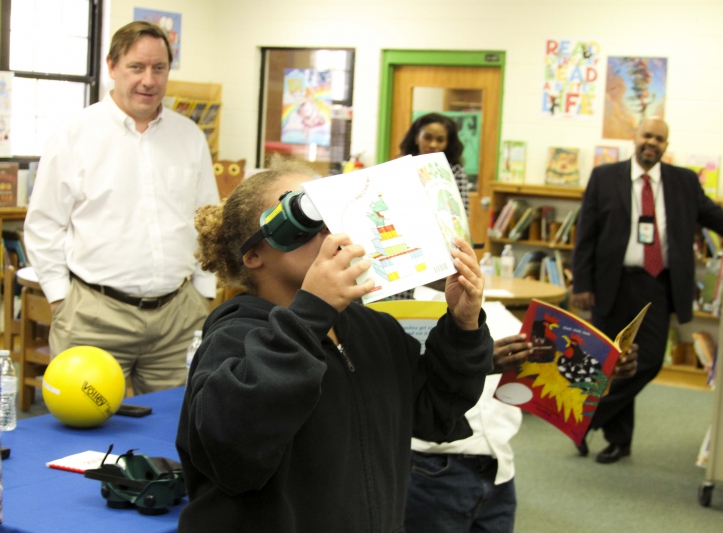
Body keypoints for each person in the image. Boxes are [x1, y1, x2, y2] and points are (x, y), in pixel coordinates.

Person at [175, 158, 494, 532]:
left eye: (332, 210)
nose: (327, 230)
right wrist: (310, 315)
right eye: (305, 215)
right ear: (254, 254)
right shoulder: (233, 338)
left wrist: (462, 325)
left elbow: (437, 412)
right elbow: (231, 451)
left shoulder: (375, 330)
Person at [24, 21, 219, 395]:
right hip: (93, 315)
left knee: (175, 430)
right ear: (112, 67)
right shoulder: (73, 135)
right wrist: (61, 300)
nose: (149, 80)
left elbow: (206, 221)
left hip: (178, 318)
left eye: (159, 68)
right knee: (83, 440)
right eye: (136, 67)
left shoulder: (189, 136)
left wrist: (203, 292)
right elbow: (44, 225)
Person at [570, 117, 723, 464]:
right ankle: (619, 440)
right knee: (613, 363)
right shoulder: (605, 177)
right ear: (635, 138)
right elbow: (586, 233)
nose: (652, 142)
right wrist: (582, 283)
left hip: (656, 284)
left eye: (660, 139)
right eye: (647, 135)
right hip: (612, 282)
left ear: (666, 145)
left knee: (647, 361)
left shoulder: (683, 181)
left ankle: (588, 417)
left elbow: (718, 218)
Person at [405, 312, 639, 532]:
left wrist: (605, 372)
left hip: (500, 468)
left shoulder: (503, 315)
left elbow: (551, 378)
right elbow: (403, 391)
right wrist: (476, 363)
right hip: (432, 469)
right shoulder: (408, 318)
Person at [399, 112, 471, 216]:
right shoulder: (403, 167)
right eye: (427, 138)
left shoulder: (455, 170)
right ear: (417, 138)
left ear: (447, 143)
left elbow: (463, 210)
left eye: (440, 140)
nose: (433, 145)